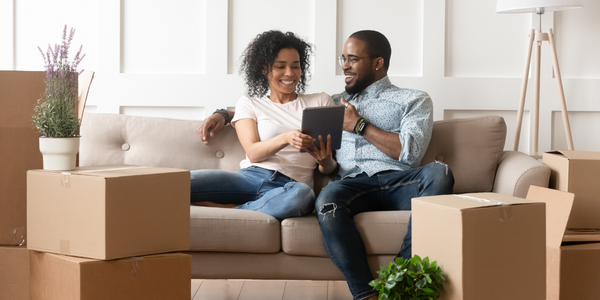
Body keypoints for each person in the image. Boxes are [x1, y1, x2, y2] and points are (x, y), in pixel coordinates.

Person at [199, 30, 454, 300]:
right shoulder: (331, 102)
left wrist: (359, 125)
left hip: (400, 181)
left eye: (353, 59)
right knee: (327, 198)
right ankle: (366, 294)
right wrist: (223, 113)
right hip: (351, 186)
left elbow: (411, 153)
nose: (344, 65)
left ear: (377, 63)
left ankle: (402, 282)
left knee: (440, 172)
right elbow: (275, 107)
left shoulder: (414, 99)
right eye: (343, 58)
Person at [190, 30, 337, 221]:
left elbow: (330, 166)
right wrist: (286, 137)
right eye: (280, 66)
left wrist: (325, 162)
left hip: (291, 187)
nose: (289, 73)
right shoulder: (250, 102)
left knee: (304, 196)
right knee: (178, 181)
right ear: (264, 69)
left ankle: (232, 211)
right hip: (249, 178)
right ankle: (254, 209)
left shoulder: (321, 101)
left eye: (296, 66)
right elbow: (253, 152)